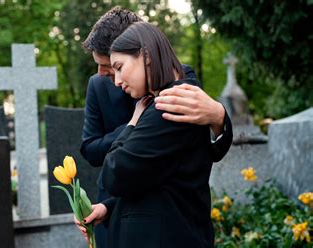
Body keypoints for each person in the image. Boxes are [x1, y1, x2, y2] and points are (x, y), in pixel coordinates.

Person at [78, 7, 232, 248]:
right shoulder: (100, 86)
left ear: (141, 50)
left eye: (114, 65)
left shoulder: (175, 94)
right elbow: (92, 148)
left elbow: (118, 170)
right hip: (120, 209)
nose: (106, 75)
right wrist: (109, 206)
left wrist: (219, 115)